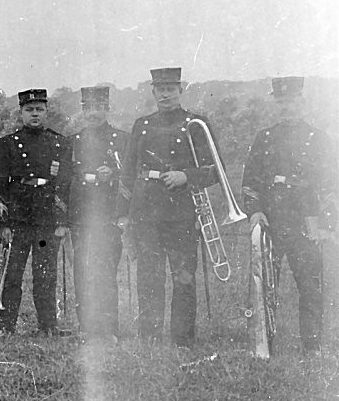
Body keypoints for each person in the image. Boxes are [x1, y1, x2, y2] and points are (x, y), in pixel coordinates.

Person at [116, 67, 218, 347]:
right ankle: (148, 336)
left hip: (182, 212)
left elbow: (214, 170)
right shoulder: (142, 125)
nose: (165, 94)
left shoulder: (197, 123)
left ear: (181, 89)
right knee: (148, 274)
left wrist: (187, 176)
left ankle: (182, 339)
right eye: (160, 89)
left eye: (171, 89)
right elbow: (127, 172)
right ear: (153, 92)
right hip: (146, 211)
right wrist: (123, 213)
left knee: (184, 276)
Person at [241, 76, 336, 356]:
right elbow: (250, 180)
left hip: (306, 222)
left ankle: (312, 345)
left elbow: (331, 183)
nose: (287, 107)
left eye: (292, 101)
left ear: (302, 102)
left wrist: (327, 223)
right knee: (265, 287)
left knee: (310, 286)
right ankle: (264, 343)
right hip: (271, 219)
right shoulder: (265, 137)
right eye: (281, 102)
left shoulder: (318, 138)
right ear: (276, 104)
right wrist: (255, 210)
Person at [0, 89, 72, 335]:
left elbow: (65, 184)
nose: (34, 114)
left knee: (45, 275)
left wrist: (62, 221)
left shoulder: (60, 143)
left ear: (46, 111)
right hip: (18, 219)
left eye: (39, 109)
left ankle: (48, 326)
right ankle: (6, 326)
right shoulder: (7, 144)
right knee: (12, 274)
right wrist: (2, 224)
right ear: (21, 113)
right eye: (29, 110)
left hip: (47, 219)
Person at [68, 86, 128, 343]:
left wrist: (113, 175)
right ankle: (86, 327)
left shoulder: (122, 139)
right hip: (82, 215)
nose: (93, 113)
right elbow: (65, 179)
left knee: (107, 271)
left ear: (107, 109)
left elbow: (131, 177)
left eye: (98, 107)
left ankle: (110, 327)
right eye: (88, 108)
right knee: (82, 269)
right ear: (83, 110)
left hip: (109, 216)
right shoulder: (73, 141)